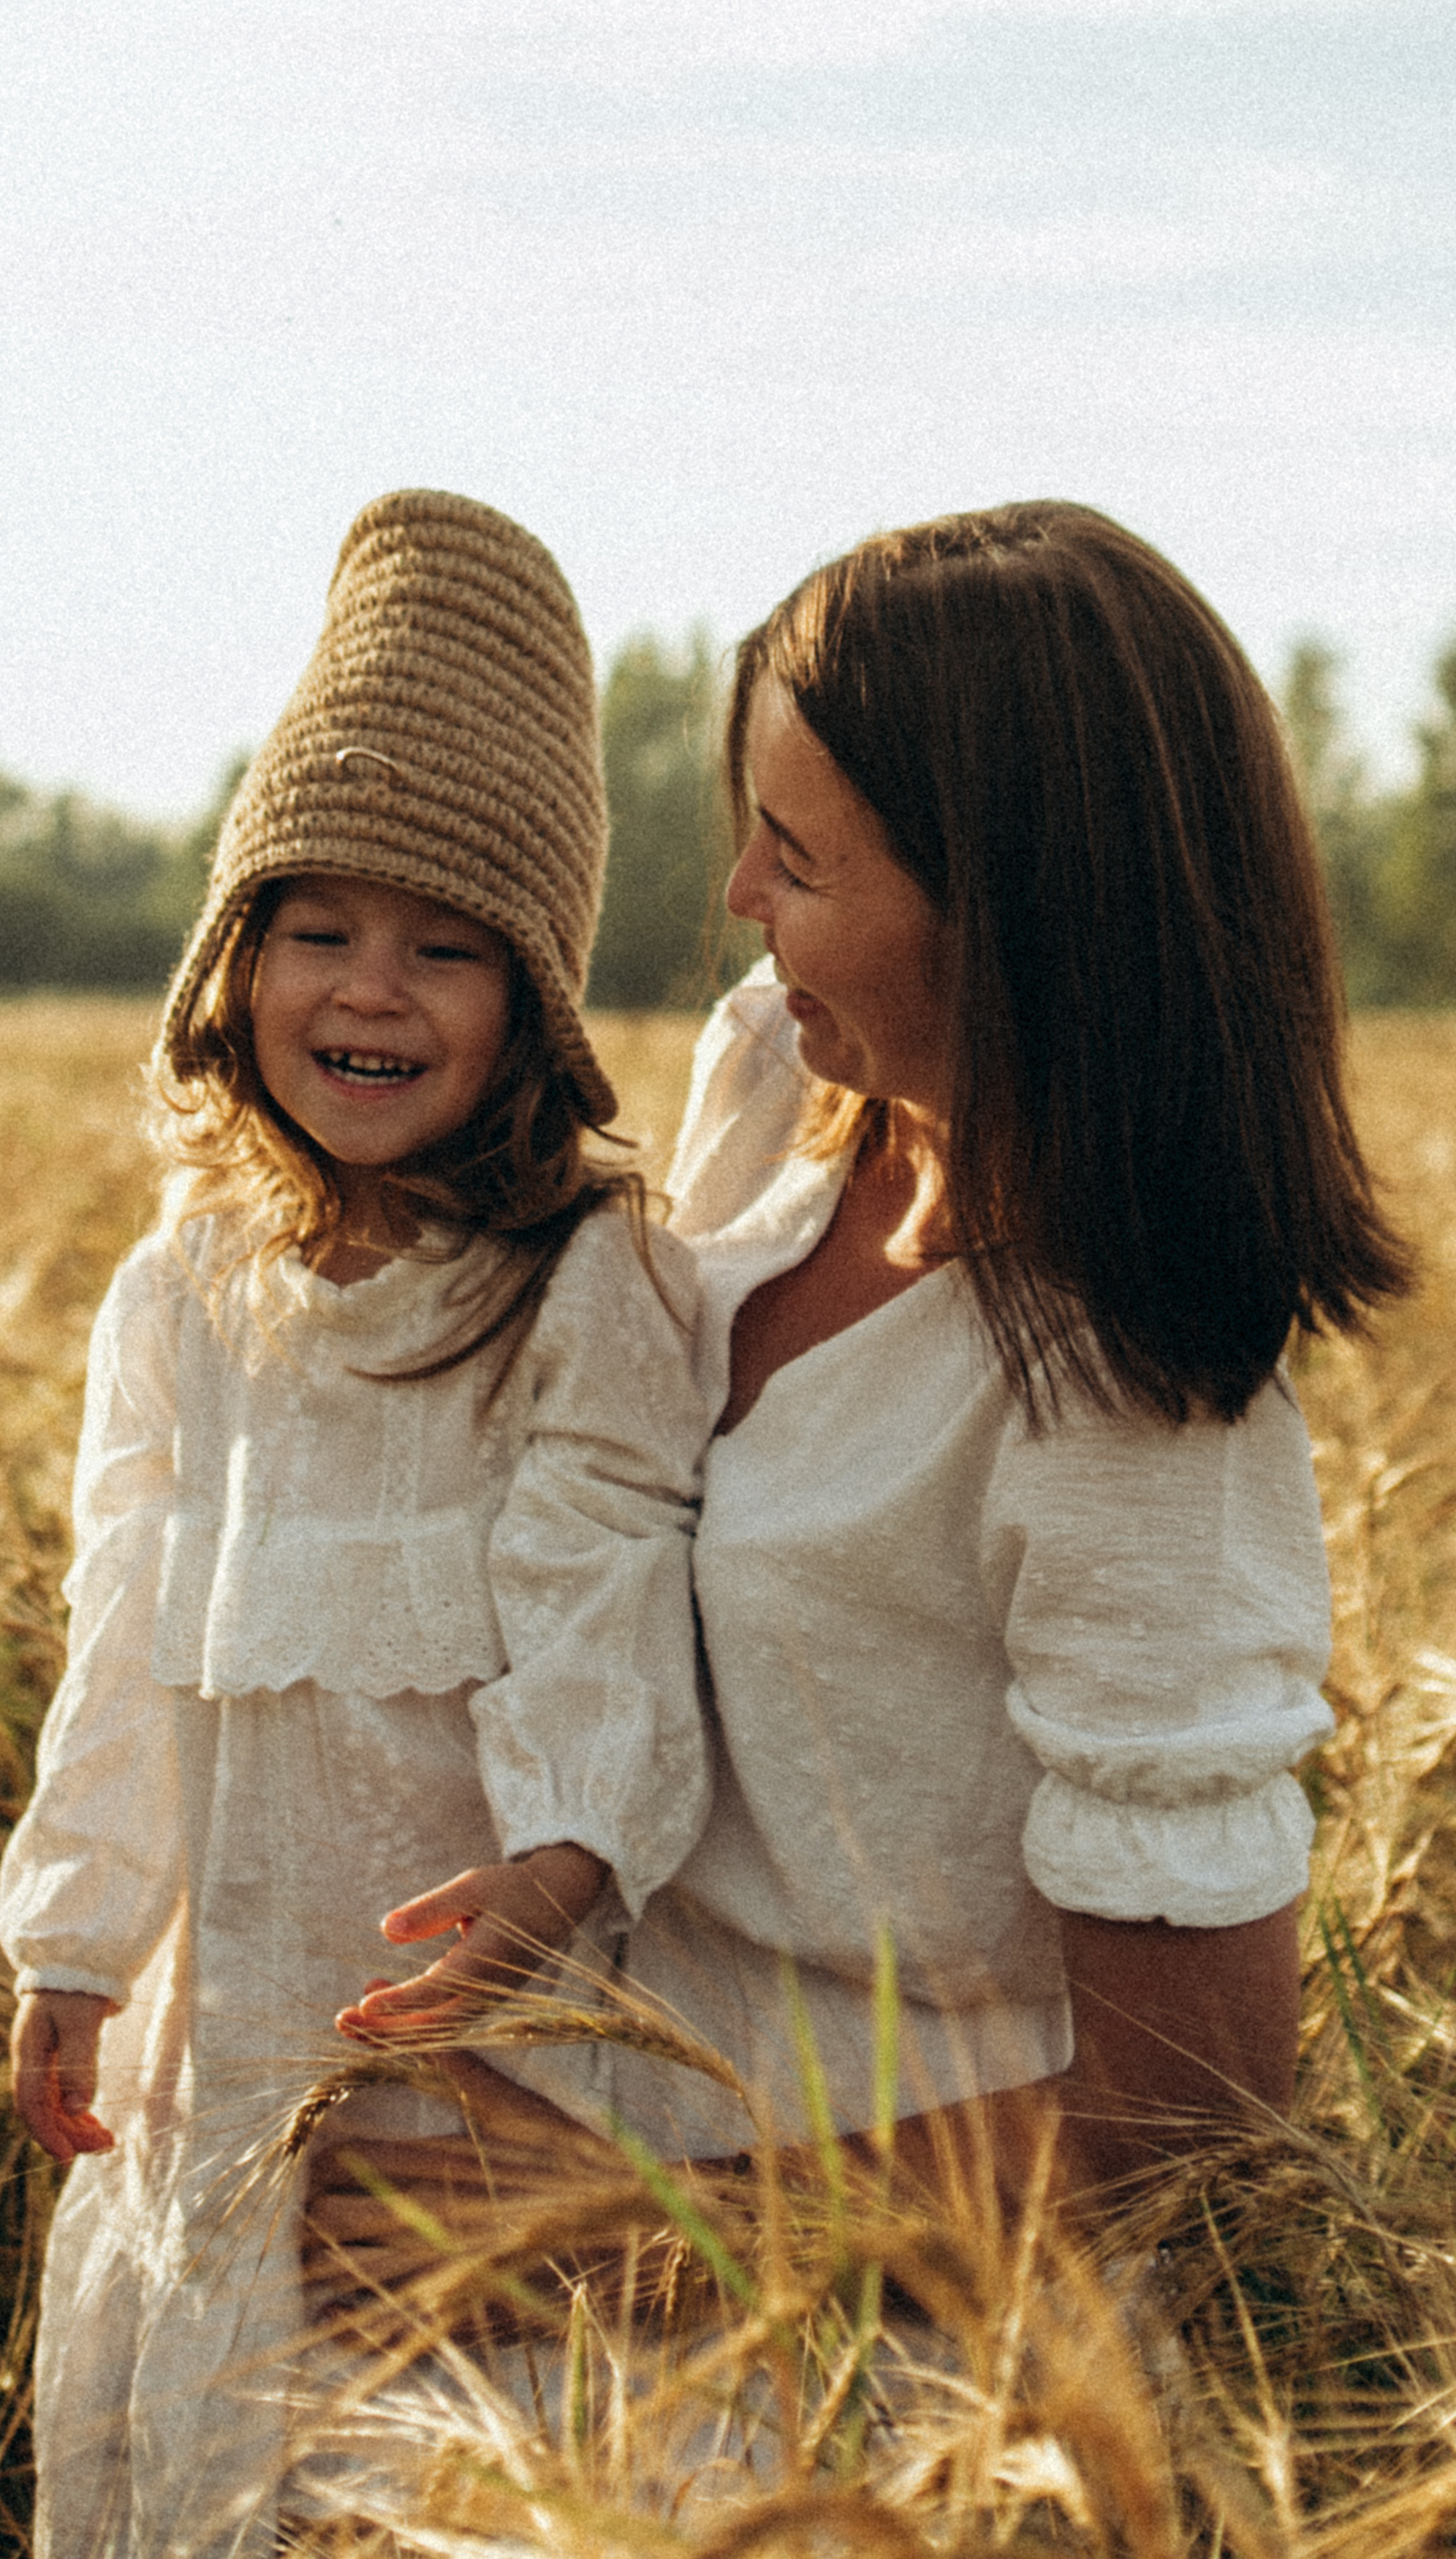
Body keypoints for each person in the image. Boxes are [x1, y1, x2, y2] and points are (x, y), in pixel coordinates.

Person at [335, 499, 1409, 2217]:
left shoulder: (1136, 1414)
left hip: (888, 2344)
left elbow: (1186, 2109)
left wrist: (609, 2236)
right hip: (576, 2151)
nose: (742, 898)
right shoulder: (779, 1088)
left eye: (803, 859)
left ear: (1010, 915)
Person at [0, 489, 710, 2558]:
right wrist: (70, 1940)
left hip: (451, 2065)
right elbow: (120, 1629)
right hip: (207, 2047)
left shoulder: (575, 1288)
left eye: (442, 943)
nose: (367, 988)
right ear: (237, 959)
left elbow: (606, 1603)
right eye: (318, 927)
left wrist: (563, 1861)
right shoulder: (182, 1292)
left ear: (529, 1001)